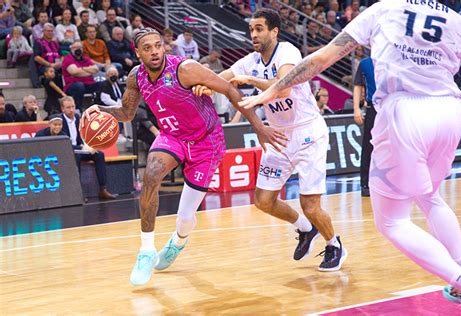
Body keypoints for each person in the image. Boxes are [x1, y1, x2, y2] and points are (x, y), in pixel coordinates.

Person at [239, 1, 461, 310]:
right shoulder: (454, 19)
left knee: (392, 222)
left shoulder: (384, 9)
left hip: (404, 112)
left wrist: (269, 91)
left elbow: (323, 58)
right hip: (450, 113)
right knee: (429, 197)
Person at [82, 27, 286, 286]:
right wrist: (99, 109)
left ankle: (178, 242)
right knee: (151, 175)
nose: (155, 51)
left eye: (158, 45)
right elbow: (127, 112)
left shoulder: (186, 69)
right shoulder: (136, 76)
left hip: (206, 141)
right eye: (148, 48)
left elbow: (231, 91)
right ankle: (146, 251)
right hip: (172, 136)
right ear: (137, 53)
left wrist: (258, 126)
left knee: (186, 216)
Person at [196, 9, 347, 271]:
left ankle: (334, 244)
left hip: (307, 133)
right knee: (264, 201)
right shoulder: (250, 60)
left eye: (259, 29)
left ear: (274, 31)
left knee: (310, 205)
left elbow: (284, 87)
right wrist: (205, 85)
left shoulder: (288, 52)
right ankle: (305, 228)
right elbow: (222, 78)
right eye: (251, 29)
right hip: (277, 136)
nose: (253, 34)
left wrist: (251, 80)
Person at [60, 96, 117, 200]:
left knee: (99, 154)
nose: (71, 109)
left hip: (80, 149)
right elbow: (63, 143)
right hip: (68, 151)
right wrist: (81, 148)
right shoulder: (60, 121)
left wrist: (90, 146)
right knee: (76, 157)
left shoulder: (78, 117)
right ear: (62, 109)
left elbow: (85, 136)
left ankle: (103, 189)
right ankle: (79, 193)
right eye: (68, 107)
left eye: (73, 106)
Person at [352, 56, 375, 197]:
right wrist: (356, 108)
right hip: (373, 108)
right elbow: (358, 86)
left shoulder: (394, 58)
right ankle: (365, 184)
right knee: (368, 146)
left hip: (392, 106)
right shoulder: (365, 63)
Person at [62, 40, 100, 111]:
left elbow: (96, 69)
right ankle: (78, 109)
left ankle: (100, 109)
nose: (78, 49)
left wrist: (80, 70)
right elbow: (73, 71)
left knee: (102, 85)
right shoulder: (68, 58)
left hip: (89, 83)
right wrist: (88, 70)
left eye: (80, 47)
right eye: (75, 47)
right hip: (72, 85)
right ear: (71, 49)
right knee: (79, 86)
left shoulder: (86, 59)